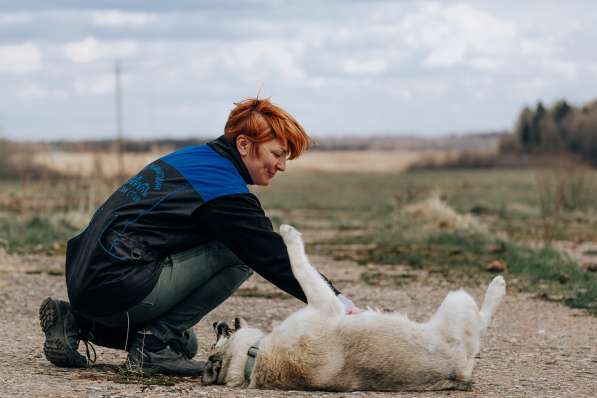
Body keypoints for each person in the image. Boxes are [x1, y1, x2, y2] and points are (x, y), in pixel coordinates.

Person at [39, 97, 358, 376]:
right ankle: (151, 346)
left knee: (186, 343)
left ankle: (77, 322)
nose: (282, 166)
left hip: (89, 279)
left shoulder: (193, 160)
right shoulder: (222, 188)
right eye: (278, 153)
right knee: (239, 251)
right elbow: (271, 254)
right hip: (120, 282)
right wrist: (337, 303)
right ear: (244, 145)